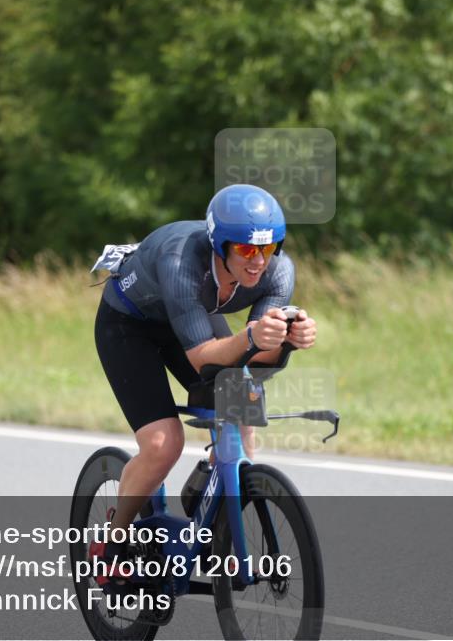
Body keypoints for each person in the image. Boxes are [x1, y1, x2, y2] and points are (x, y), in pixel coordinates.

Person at [91, 184, 317, 581]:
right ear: (220, 245)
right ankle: (113, 543)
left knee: (242, 408)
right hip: (130, 326)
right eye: (246, 249)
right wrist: (253, 338)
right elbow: (203, 357)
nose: (258, 261)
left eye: (267, 248)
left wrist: (286, 342)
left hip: (191, 315)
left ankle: (211, 512)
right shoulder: (181, 261)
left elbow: (253, 358)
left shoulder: (279, 271)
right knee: (163, 444)